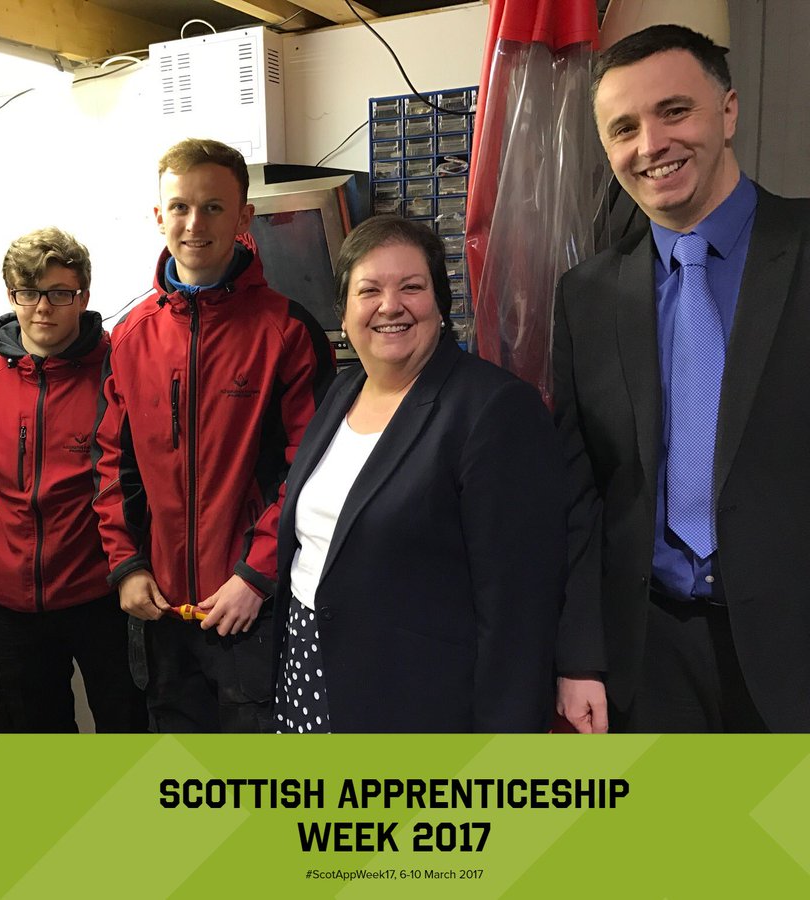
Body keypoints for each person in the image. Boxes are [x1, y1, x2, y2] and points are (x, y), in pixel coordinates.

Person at [554, 24, 810, 733]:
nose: (650, 145)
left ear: (727, 112)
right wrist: (579, 655)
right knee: (675, 849)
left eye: (674, 111)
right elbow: (581, 494)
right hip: (649, 660)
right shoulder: (585, 296)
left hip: (795, 654)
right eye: (623, 128)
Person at [272, 216, 566, 733]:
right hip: (310, 671)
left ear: (440, 305)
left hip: (416, 703)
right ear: (344, 312)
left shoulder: (493, 409)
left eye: (412, 287)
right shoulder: (342, 393)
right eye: (369, 290)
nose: (390, 306)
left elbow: (518, 605)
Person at [93, 137, 335, 733]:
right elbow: (112, 465)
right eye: (179, 207)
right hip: (161, 612)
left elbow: (312, 473)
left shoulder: (287, 330)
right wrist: (125, 565)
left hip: (251, 609)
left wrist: (256, 576)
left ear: (244, 216)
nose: (194, 223)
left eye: (214, 207)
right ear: (158, 216)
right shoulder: (129, 336)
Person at [0, 227, 146, 732]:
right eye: (29, 293)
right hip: (12, 604)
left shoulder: (118, 370)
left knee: (125, 732)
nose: (43, 308)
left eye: (60, 294)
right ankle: (59, 816)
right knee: (37, 747)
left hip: (101, 595)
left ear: (83, 296)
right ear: (11, 296)